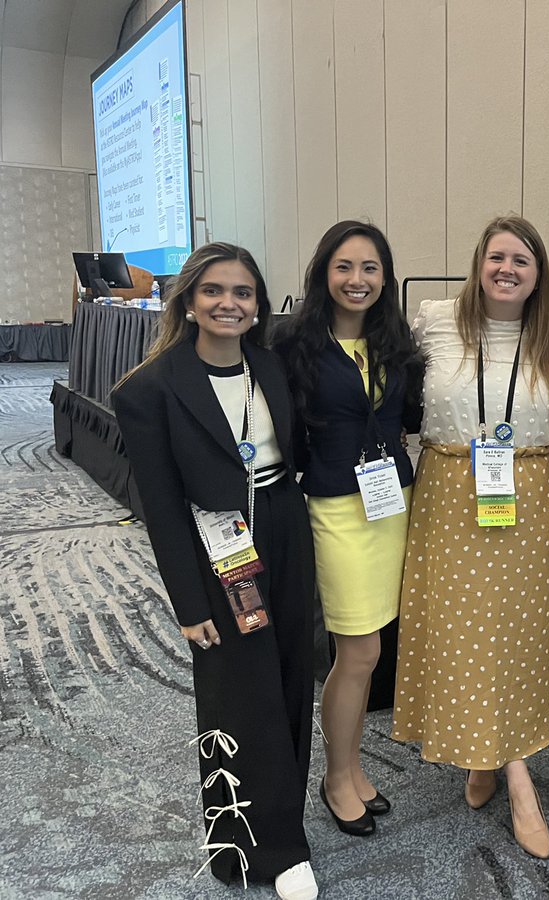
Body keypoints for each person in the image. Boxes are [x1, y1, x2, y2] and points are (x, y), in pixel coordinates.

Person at [112, 243, 319, 900]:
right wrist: (188, 601)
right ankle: (248, 845)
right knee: (237, 692)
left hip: (284, 525)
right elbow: (161, 506)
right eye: (215, 291)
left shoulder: (272, 364)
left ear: (259, 306)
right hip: (217, 546)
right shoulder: (149, 389)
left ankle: (286, 836)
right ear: (189, 301)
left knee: (289, 683)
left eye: (244, 293)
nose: (230, 303)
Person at [390, 215, 549, 859]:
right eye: (497, 257)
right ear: (478, 263)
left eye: (523, 260)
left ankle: (497, 762)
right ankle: (508, 772)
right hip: (449, 489)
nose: (508, 270)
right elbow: (398, 390)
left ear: (538, 275)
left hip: (528, 492)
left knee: (518, 635)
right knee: (464, 631)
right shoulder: (435, 320)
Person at [274, 221, 423, 838]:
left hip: (394, 505)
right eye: (344, 267)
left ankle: (353, 764)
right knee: (356, 649)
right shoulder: (294, 342)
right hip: (334, 508)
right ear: (323, 274)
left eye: (369, 268)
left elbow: (410, 415)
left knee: (370, 651)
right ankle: (336, 778)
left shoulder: (396, 342)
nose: (356, 280)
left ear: (385, 277)